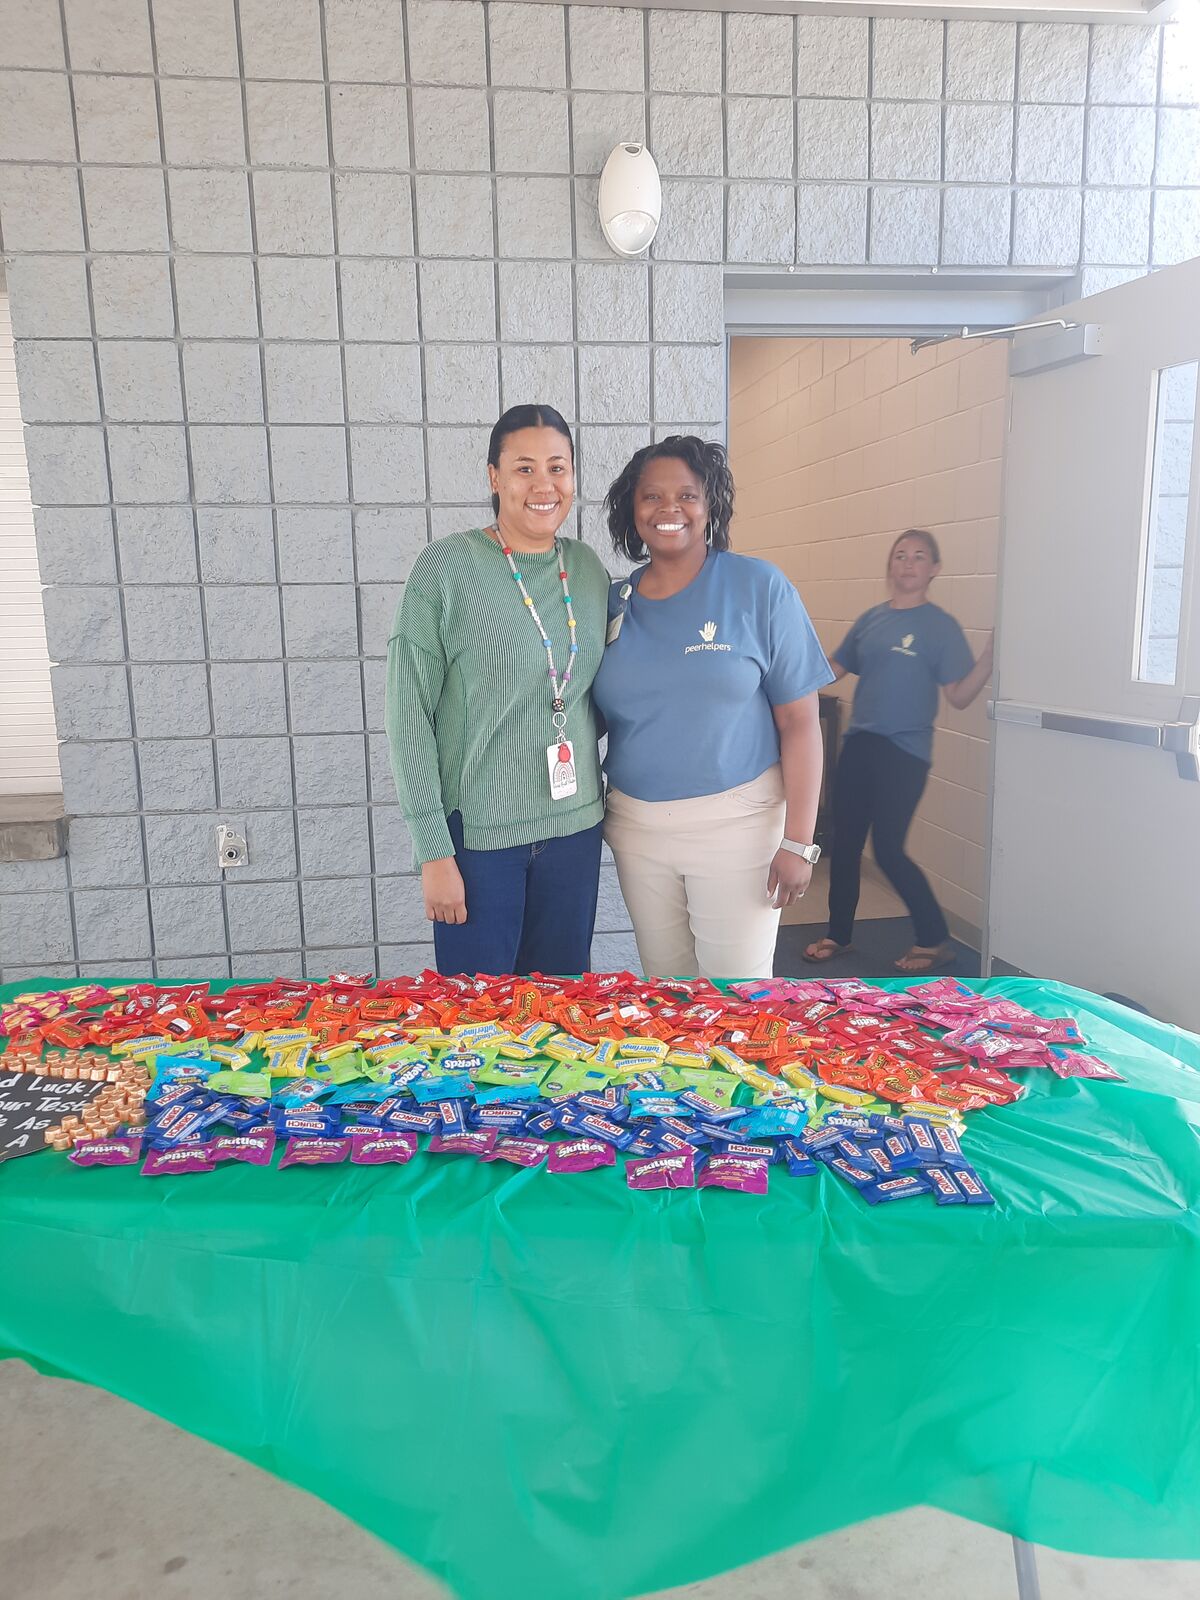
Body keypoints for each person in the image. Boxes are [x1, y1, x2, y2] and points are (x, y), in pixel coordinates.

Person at [592, 436, 833, 981]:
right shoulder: (611, 604)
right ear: (632, 510)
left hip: (739, 828)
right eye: (651, 496)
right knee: (669, 998)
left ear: (711, 506)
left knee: (736, 1000)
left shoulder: (759, 588)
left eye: (687, 495)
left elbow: (799, 723)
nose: (668, 508)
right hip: (638, 829)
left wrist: (800, 841)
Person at [385, 405, 610, 977]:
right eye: (524, 468)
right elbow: (409, 717)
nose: (544, 485)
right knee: (475, 1021)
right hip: (481, 839)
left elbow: (592, 695)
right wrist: (433, 850)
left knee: (561, 1014)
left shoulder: (587, 570)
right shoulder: (445, 568)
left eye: (558, 468)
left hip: (574, 834)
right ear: (494, 477)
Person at [804, 528, 994, 974]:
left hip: (905, 752)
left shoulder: (939, 626)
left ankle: (933, 938)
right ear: (891, 565)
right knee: (845, 843)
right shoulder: (872, 619)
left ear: (934, 569)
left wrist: (987, 661)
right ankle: (839, 935)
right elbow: (832, 668)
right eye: (900, 555)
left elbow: (959, 695)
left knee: (888, 847)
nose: (907, 563)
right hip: (860, 745)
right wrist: (783, 679)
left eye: (918, 556)